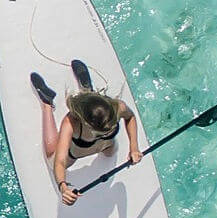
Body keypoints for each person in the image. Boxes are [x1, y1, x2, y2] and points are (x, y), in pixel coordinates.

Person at [31, 60, 142, 206]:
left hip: (106, 146)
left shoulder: (118, 107)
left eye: (111, 127)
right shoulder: (71, 122)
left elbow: (130, 117)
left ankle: (88, 90)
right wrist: (63, 187)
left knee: (111, 152)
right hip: (76, 153)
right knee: (52, 158)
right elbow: (60, 161)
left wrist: (134, 147)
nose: (108, 130)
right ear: (85, 123)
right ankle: (47, 104)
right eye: (102, 130)